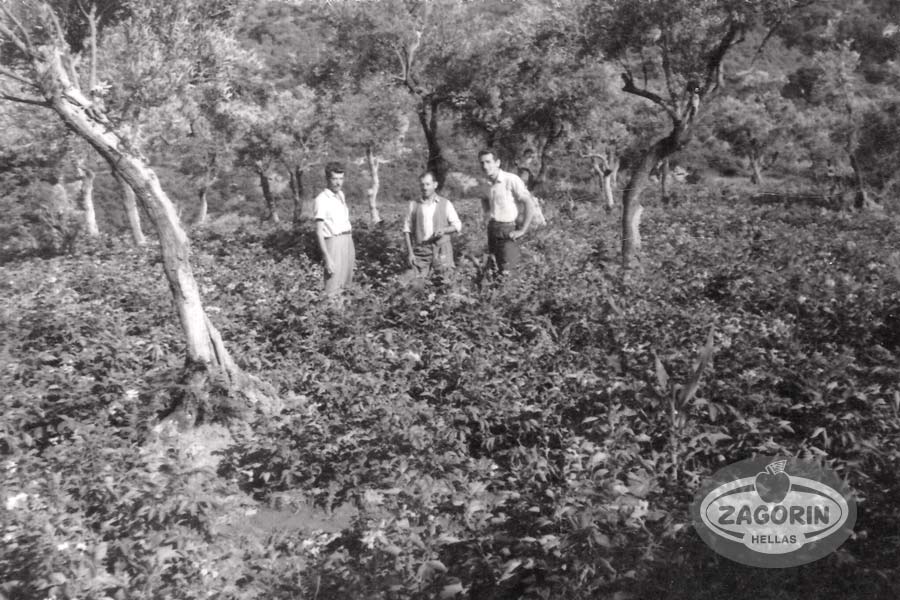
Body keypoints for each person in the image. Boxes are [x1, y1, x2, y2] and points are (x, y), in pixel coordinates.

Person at [478, 149, 536, 274]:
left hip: (508, 230)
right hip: (493, 229)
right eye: (482, 163)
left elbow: (529, 203)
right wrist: (486, 216)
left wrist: (522, 230)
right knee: (494, 269)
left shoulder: (511, 180)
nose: (485, 166)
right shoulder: (485, 184)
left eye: (488, 162)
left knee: (509, 271)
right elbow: (484, 200)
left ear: (497, 163)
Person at [402, 170, 462, 281]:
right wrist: (410, 253)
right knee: (416, 284)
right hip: (421, 251)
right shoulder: (414, 205)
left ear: (435, 185)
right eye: (422, 184)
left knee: (444, 282)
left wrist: (444, 230)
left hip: (442, 249)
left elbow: (457, 225)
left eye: (428, 184)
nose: (425, 188)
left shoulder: (445, 203)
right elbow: (407, 230)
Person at [313, 162, 355, 295]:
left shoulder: (341, 196)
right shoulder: (321, 200)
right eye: (334, 179)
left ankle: (343, 314)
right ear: (327, 179)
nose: (338, 183)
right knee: (333, 286)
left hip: (347, 240)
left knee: (347, 284)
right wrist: (327, 258)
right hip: (333, 242)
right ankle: (332, 313)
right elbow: (319, 232)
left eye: (341, 178)